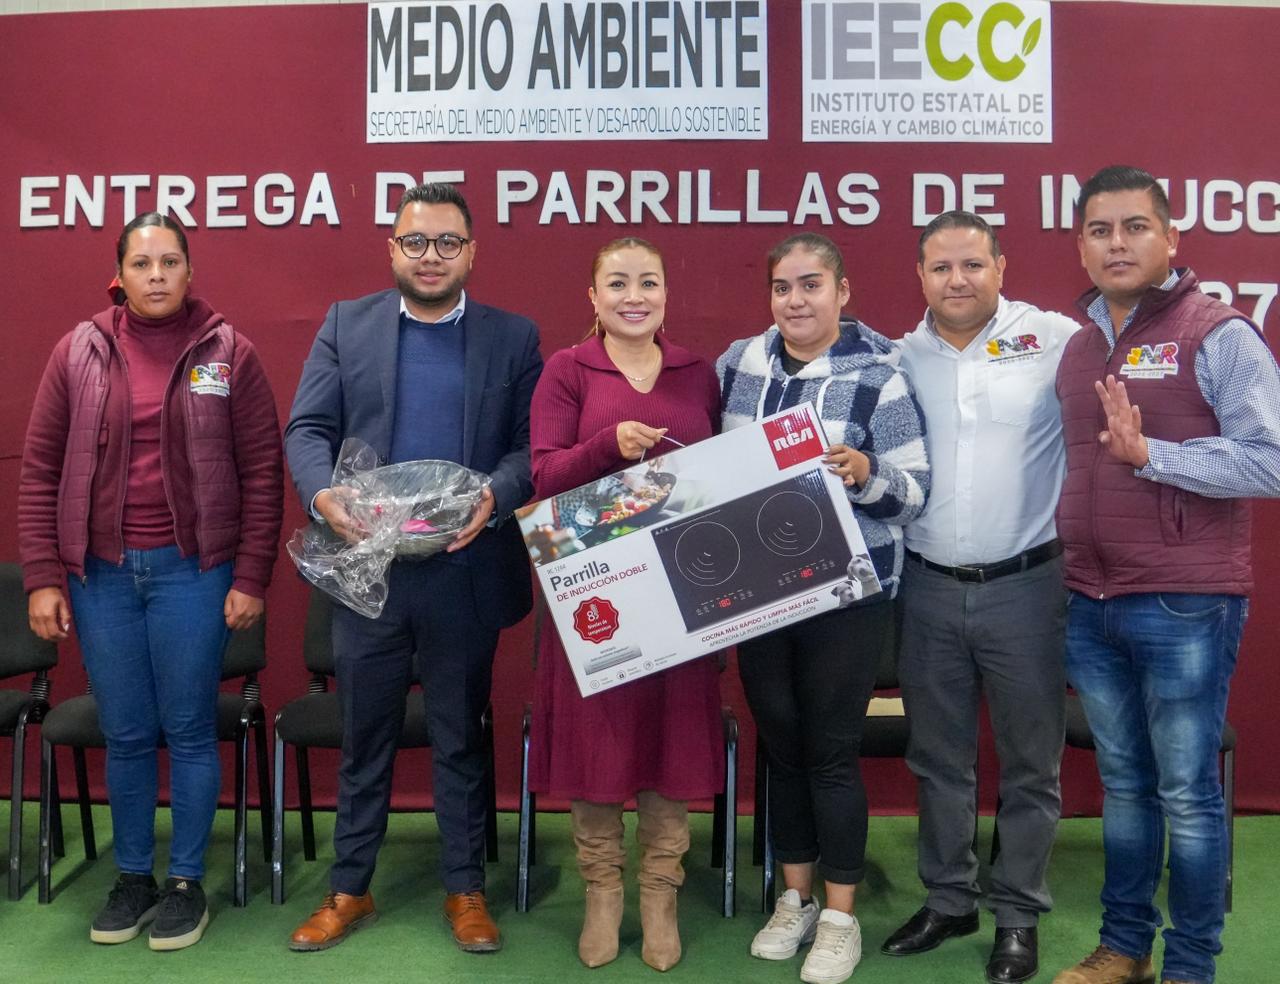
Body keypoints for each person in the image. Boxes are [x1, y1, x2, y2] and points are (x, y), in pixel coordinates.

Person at [283, 182, 541, 954]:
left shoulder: (514, 337)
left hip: (463, 568)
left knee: (460, 736)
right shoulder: (346, 325)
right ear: (392, 248)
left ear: (471, 252)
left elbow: (531, 448)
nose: (432, 256)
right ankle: (349, 889)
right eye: (416, 241)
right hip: (371, 572)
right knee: (366, 737)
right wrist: (322, 493)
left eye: (448, 242)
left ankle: (465, 889)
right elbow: (307, 428)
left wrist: (496, 495)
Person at [18, 212, 283, 950]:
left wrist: (251, 575)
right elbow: (39, 472)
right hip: (100, 577)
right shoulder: (77, 352)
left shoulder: (230, 353)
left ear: (190, 273)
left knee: (190, 727)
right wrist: (43, 576)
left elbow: (263, 473)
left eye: (170, 262)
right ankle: (133, 877)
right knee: (127, 731)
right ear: (120, 276)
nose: (157, 275)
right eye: (142, 263)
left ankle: (185, 884)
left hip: (194, 573)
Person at [1051, 166, 1280, 984]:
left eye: (1135, 226)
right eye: (1100, 230)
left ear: (1171, 236)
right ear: (1081, 245)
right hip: (1089, 600)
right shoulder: (1079, 348)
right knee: (1123, 786)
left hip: (1186, 602)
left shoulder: (1218, 333)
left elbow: (1269, 461)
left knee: (1186, 793)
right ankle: (1125, 949)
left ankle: (1189, 966)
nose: (1117, 244)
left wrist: (1154, 455)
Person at [717, 233, 929, 984]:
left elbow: (915, 495)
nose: (796, 300)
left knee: (831, 753)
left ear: (843, 292)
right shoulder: (738, 365)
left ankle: (840, 917)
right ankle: (795, 899)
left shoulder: (881, 377)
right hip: (758, 593)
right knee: (783, 748)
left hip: (847, 592)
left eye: (811, 285)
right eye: (782, 287)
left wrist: (867, 473)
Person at [884, 210, 1080, 984]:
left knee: (1031, 763)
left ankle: (1018, 916)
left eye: (972, 264)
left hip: (1028, 587)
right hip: (928, 587)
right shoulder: (899, 358)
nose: (957, 280)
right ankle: (949, 899)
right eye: (941, 267)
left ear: (1001, 266)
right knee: (939, 759)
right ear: (920, 276)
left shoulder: (1055, 339)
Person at [527, 237, 724, 972]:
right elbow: (545, 477)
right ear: (593, 296)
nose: (633, 296)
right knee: (598, 743)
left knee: (672, 740)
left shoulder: (697, 372)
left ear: (667, 293)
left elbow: (722, 476)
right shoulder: (567, 370)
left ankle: (661, 891)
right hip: (595, 597)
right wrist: (609, 445)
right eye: (617, 283)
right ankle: (603, 893)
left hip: (684, 589)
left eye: (648, 282)